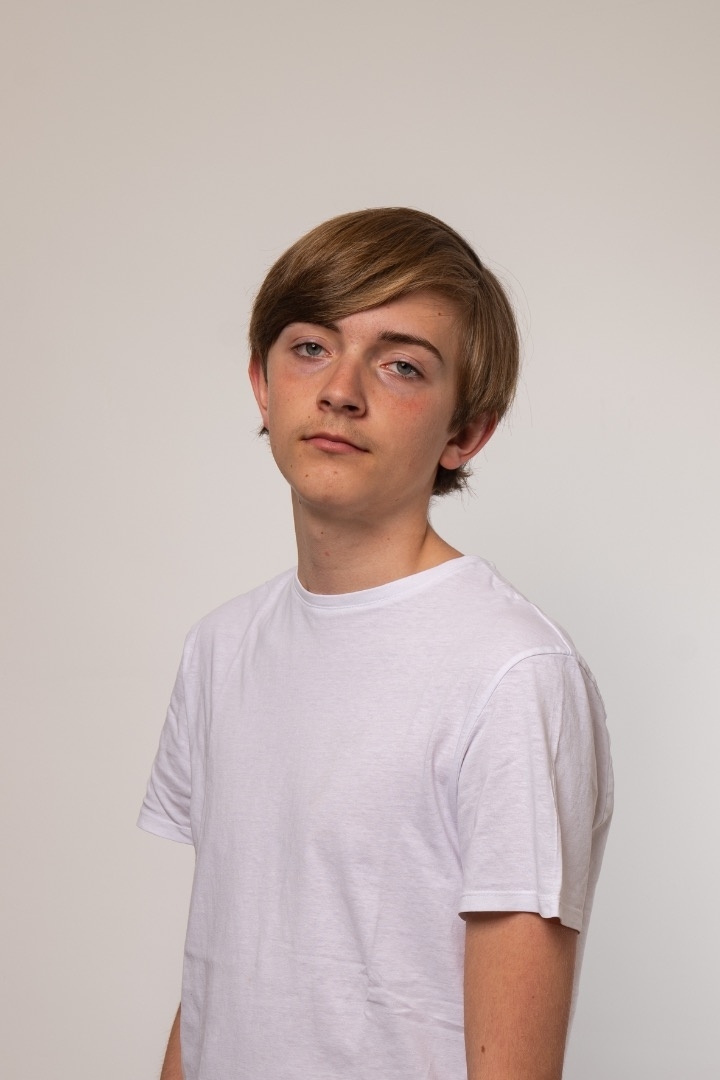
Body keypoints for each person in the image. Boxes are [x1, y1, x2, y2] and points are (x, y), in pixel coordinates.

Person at [138, 207, 613, 1080]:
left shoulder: (512, 673)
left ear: (465, 432)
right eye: (310, 346)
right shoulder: (219, 649)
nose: (340, 390)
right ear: (262, 382)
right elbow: (224, 981)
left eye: (401, 365)